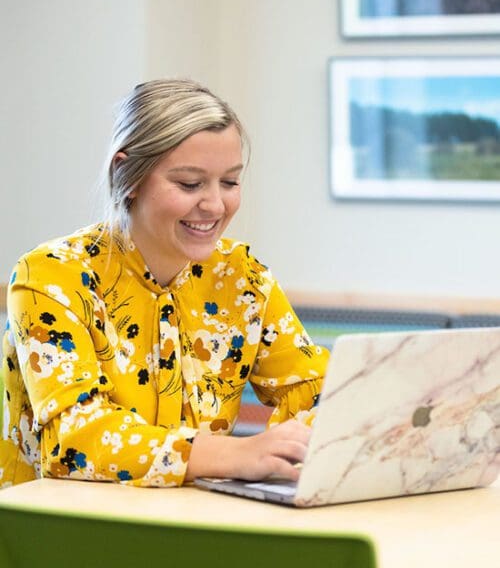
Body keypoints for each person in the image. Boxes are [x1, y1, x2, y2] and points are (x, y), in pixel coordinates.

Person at [0, 79, 329, 489]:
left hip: (189, 525)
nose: (214, 205)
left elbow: (320, 394)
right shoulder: (50, 277)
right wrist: (235, 454)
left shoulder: (243, 276)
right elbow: (76, 438)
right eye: (190, 184)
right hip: (57, 534)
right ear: (127, 175)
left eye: (229, 182)